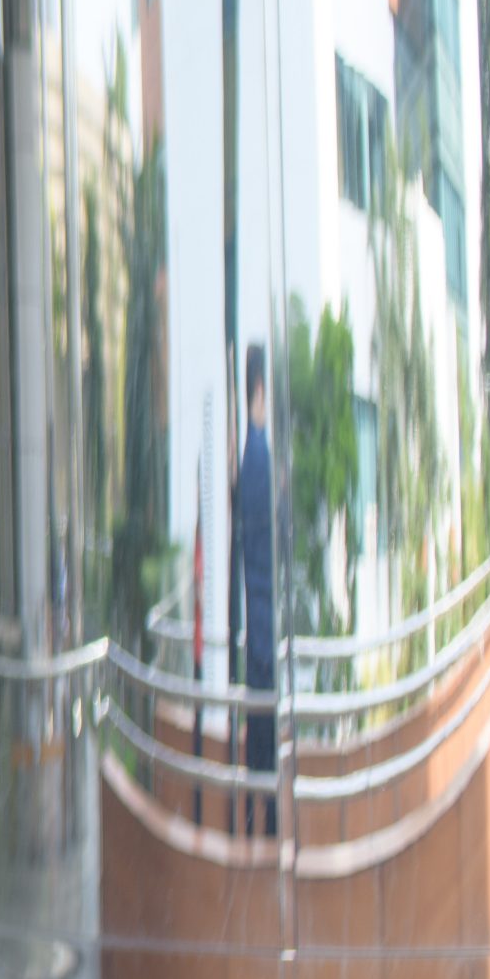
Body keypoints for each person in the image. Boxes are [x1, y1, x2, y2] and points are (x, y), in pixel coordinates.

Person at [233, 345, 278, 836]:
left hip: (257, 622)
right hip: (264, 628)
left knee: (259, 736)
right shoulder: (259, 456)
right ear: (260, 390)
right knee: (265, 737)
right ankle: (265, 826)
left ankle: (258, 822)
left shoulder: (250, 453)